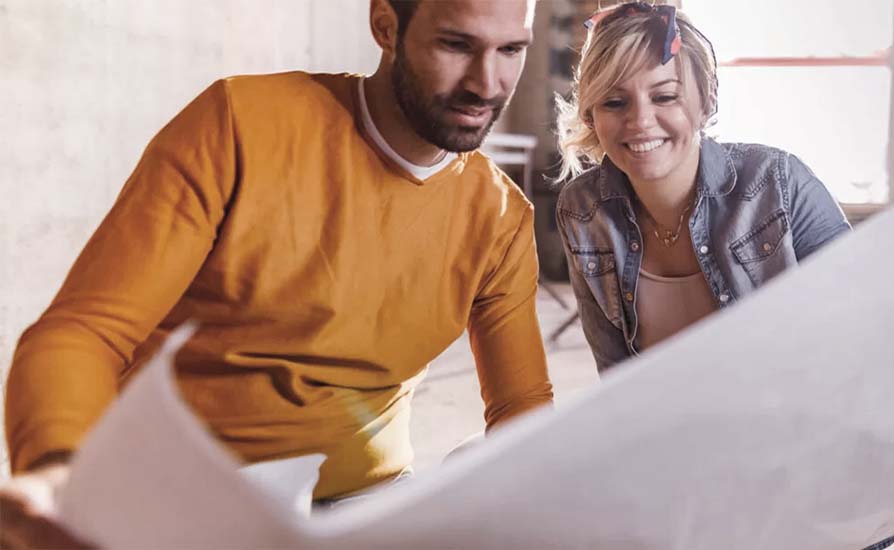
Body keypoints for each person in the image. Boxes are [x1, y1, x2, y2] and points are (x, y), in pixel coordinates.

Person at [0, 0, 551, 547]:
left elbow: (521, 407)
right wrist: (60, 470)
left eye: (511, 51)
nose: (486, 83)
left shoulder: (500, 216)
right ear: (385, 26)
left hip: (368, 506)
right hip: (183, 495)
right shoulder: (240, 124)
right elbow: (83, 333)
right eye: (456, 45)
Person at [553, 3, 894, 549]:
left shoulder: (778, 184)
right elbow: (620, 387)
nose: (639, 121)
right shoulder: (584, 209)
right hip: (693, 471)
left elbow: (878, 315)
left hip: (809, 459)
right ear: (592, 113)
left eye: (665, 95)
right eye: (614, 101)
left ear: (705, 100)